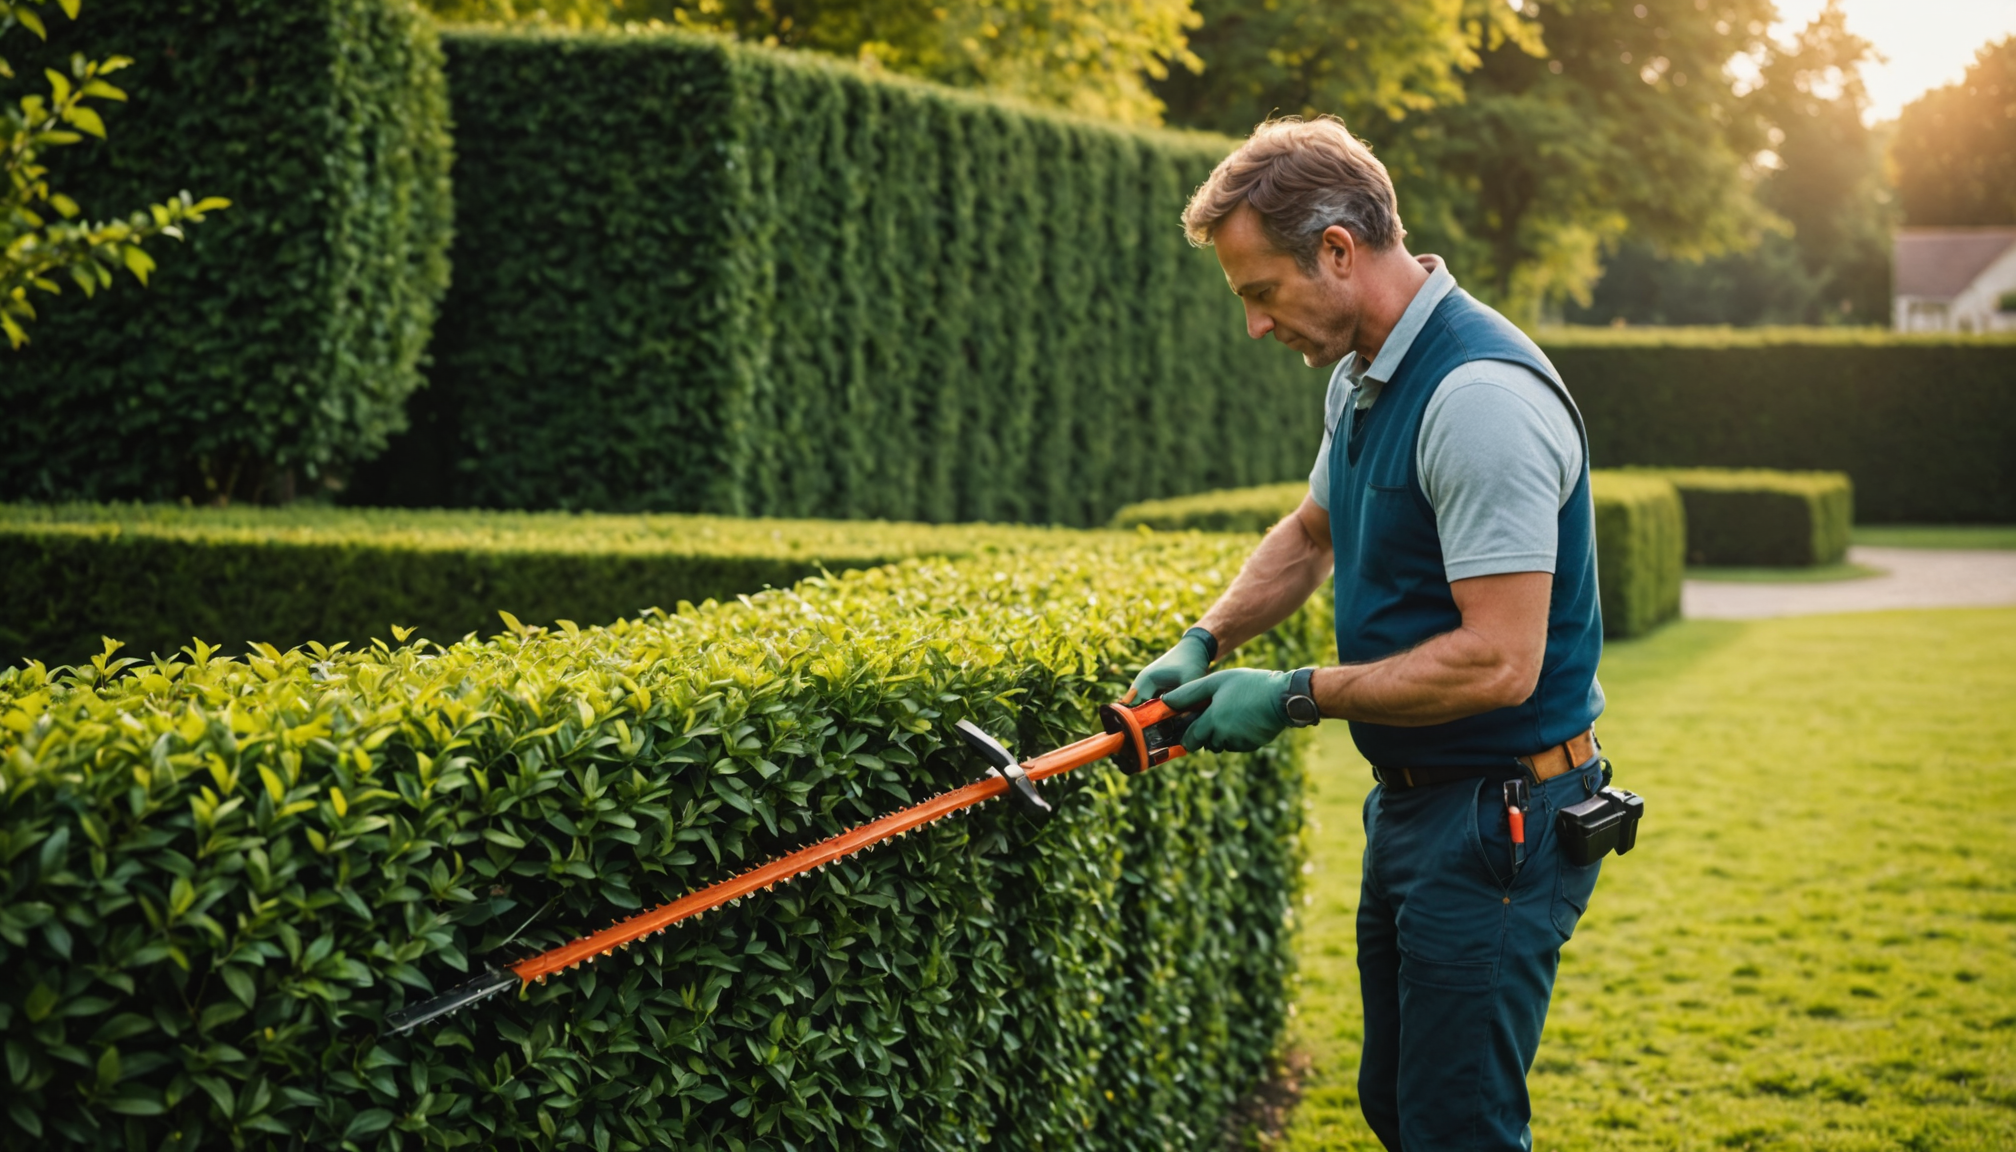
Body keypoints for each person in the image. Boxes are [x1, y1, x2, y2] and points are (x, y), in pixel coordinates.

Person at [1128, 116, 1609, 1151]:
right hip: (1422, 813)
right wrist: (1203, 642)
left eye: (1261, 292)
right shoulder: (1364, 374)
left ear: (1338, 251)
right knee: (1401, 1108)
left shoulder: (1477, 397)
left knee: (1454, 1128)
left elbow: (1500, 658)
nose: (1257, 326)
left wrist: (1297, 692)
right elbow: (1311, 535)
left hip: (1502, 817)